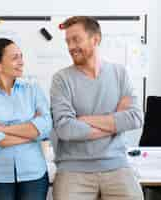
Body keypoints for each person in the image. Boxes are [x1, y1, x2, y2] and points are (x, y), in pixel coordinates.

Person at [50, 16, 144, 200]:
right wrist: (114, 123)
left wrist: (83, 120)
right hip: (73, 168)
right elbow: (65, 129)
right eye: (67, 41)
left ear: (95, 39)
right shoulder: (61, 79)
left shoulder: (120, 73)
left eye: (76, 39)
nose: (70, 47)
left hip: (116, 164)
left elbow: (135, 118)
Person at [0, 38, 52, 200]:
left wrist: (2, 128)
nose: (21, 62)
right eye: (14, 58)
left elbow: (46, 126)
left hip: (34, 173)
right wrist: (31, 132)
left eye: (21, 56)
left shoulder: (33, 90)